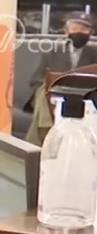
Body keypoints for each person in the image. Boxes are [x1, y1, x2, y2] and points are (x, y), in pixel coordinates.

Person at [26, 12, 97, 144]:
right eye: (75, 28)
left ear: (90, 33)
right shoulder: (52, 53)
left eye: (83, 29)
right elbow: (35, 81)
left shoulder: (95, 54)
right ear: (66, 31)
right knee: (43, 94)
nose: (79, 32)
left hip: (86, 99)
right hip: (52, 98)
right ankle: (46, 130)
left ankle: (40, 141)